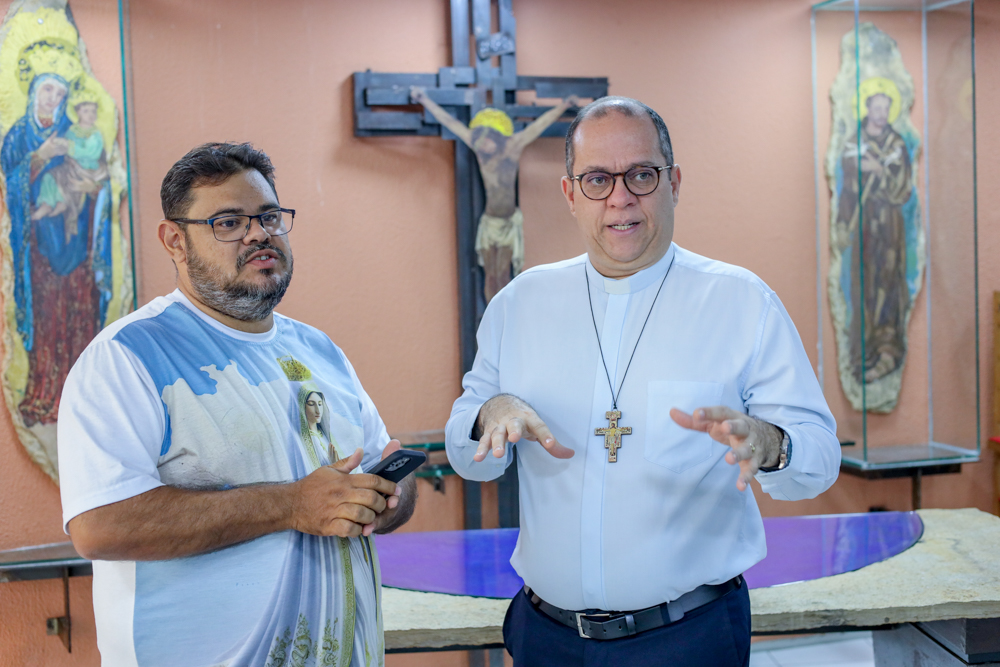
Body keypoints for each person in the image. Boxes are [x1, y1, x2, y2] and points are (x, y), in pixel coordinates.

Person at [445, 97, 841, 666]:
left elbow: (820, 458)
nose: (620, 197)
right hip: (546, 637)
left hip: (688, 637)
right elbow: (468, 454)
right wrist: (491, 413)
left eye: (642, 175)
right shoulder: (518, 305)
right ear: (570, 194)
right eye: (598, 179)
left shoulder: (740, 301)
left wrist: (773, 444)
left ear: (674, 183)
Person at [58, 142, 416, 666]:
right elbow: (99, 527)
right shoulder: (127, 357)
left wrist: (388, 497)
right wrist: (292, 505)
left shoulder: (320, 350)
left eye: (269, 216)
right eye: (227, 221)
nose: (258, 233)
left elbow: (381, 474)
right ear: (174, 241)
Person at [2, 72, 114, 427]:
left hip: (77, 246)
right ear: (34, 92)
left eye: (60, 93)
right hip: (39, 252)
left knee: (81, 312)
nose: (54, 98)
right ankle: (45, 396)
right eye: (48, 90)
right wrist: (37, 157)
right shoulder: (18, 135)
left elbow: (102, 179)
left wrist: (92, 186)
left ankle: (84, 400)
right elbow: (8, 184)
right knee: (47, 317)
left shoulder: (73, 131)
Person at [411, 87, 580, 301]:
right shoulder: (480, 149)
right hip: (490, 222)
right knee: (491, 275)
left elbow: (539, 125)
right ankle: (493, 318)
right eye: (479, 139)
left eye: (486, 138)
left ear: (496, 135)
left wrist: (564, 105)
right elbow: (450, 122)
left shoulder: (513, 146)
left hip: (508, 222)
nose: (483, 144)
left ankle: (507, 317)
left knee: (504, 274)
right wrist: (424, 100)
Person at [833, 80, 914, 386]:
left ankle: (887, 351)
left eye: (886, 107)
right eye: (876, 107)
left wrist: (879, 169)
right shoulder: (855, 142)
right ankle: (866, 350)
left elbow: (903, 187)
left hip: (890, 228)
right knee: (864, 287)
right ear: (866, 109)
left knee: (888, 285)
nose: (881, 113)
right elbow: (847, 192)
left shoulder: (896, 144)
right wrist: (842, 222)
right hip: (864, 229)